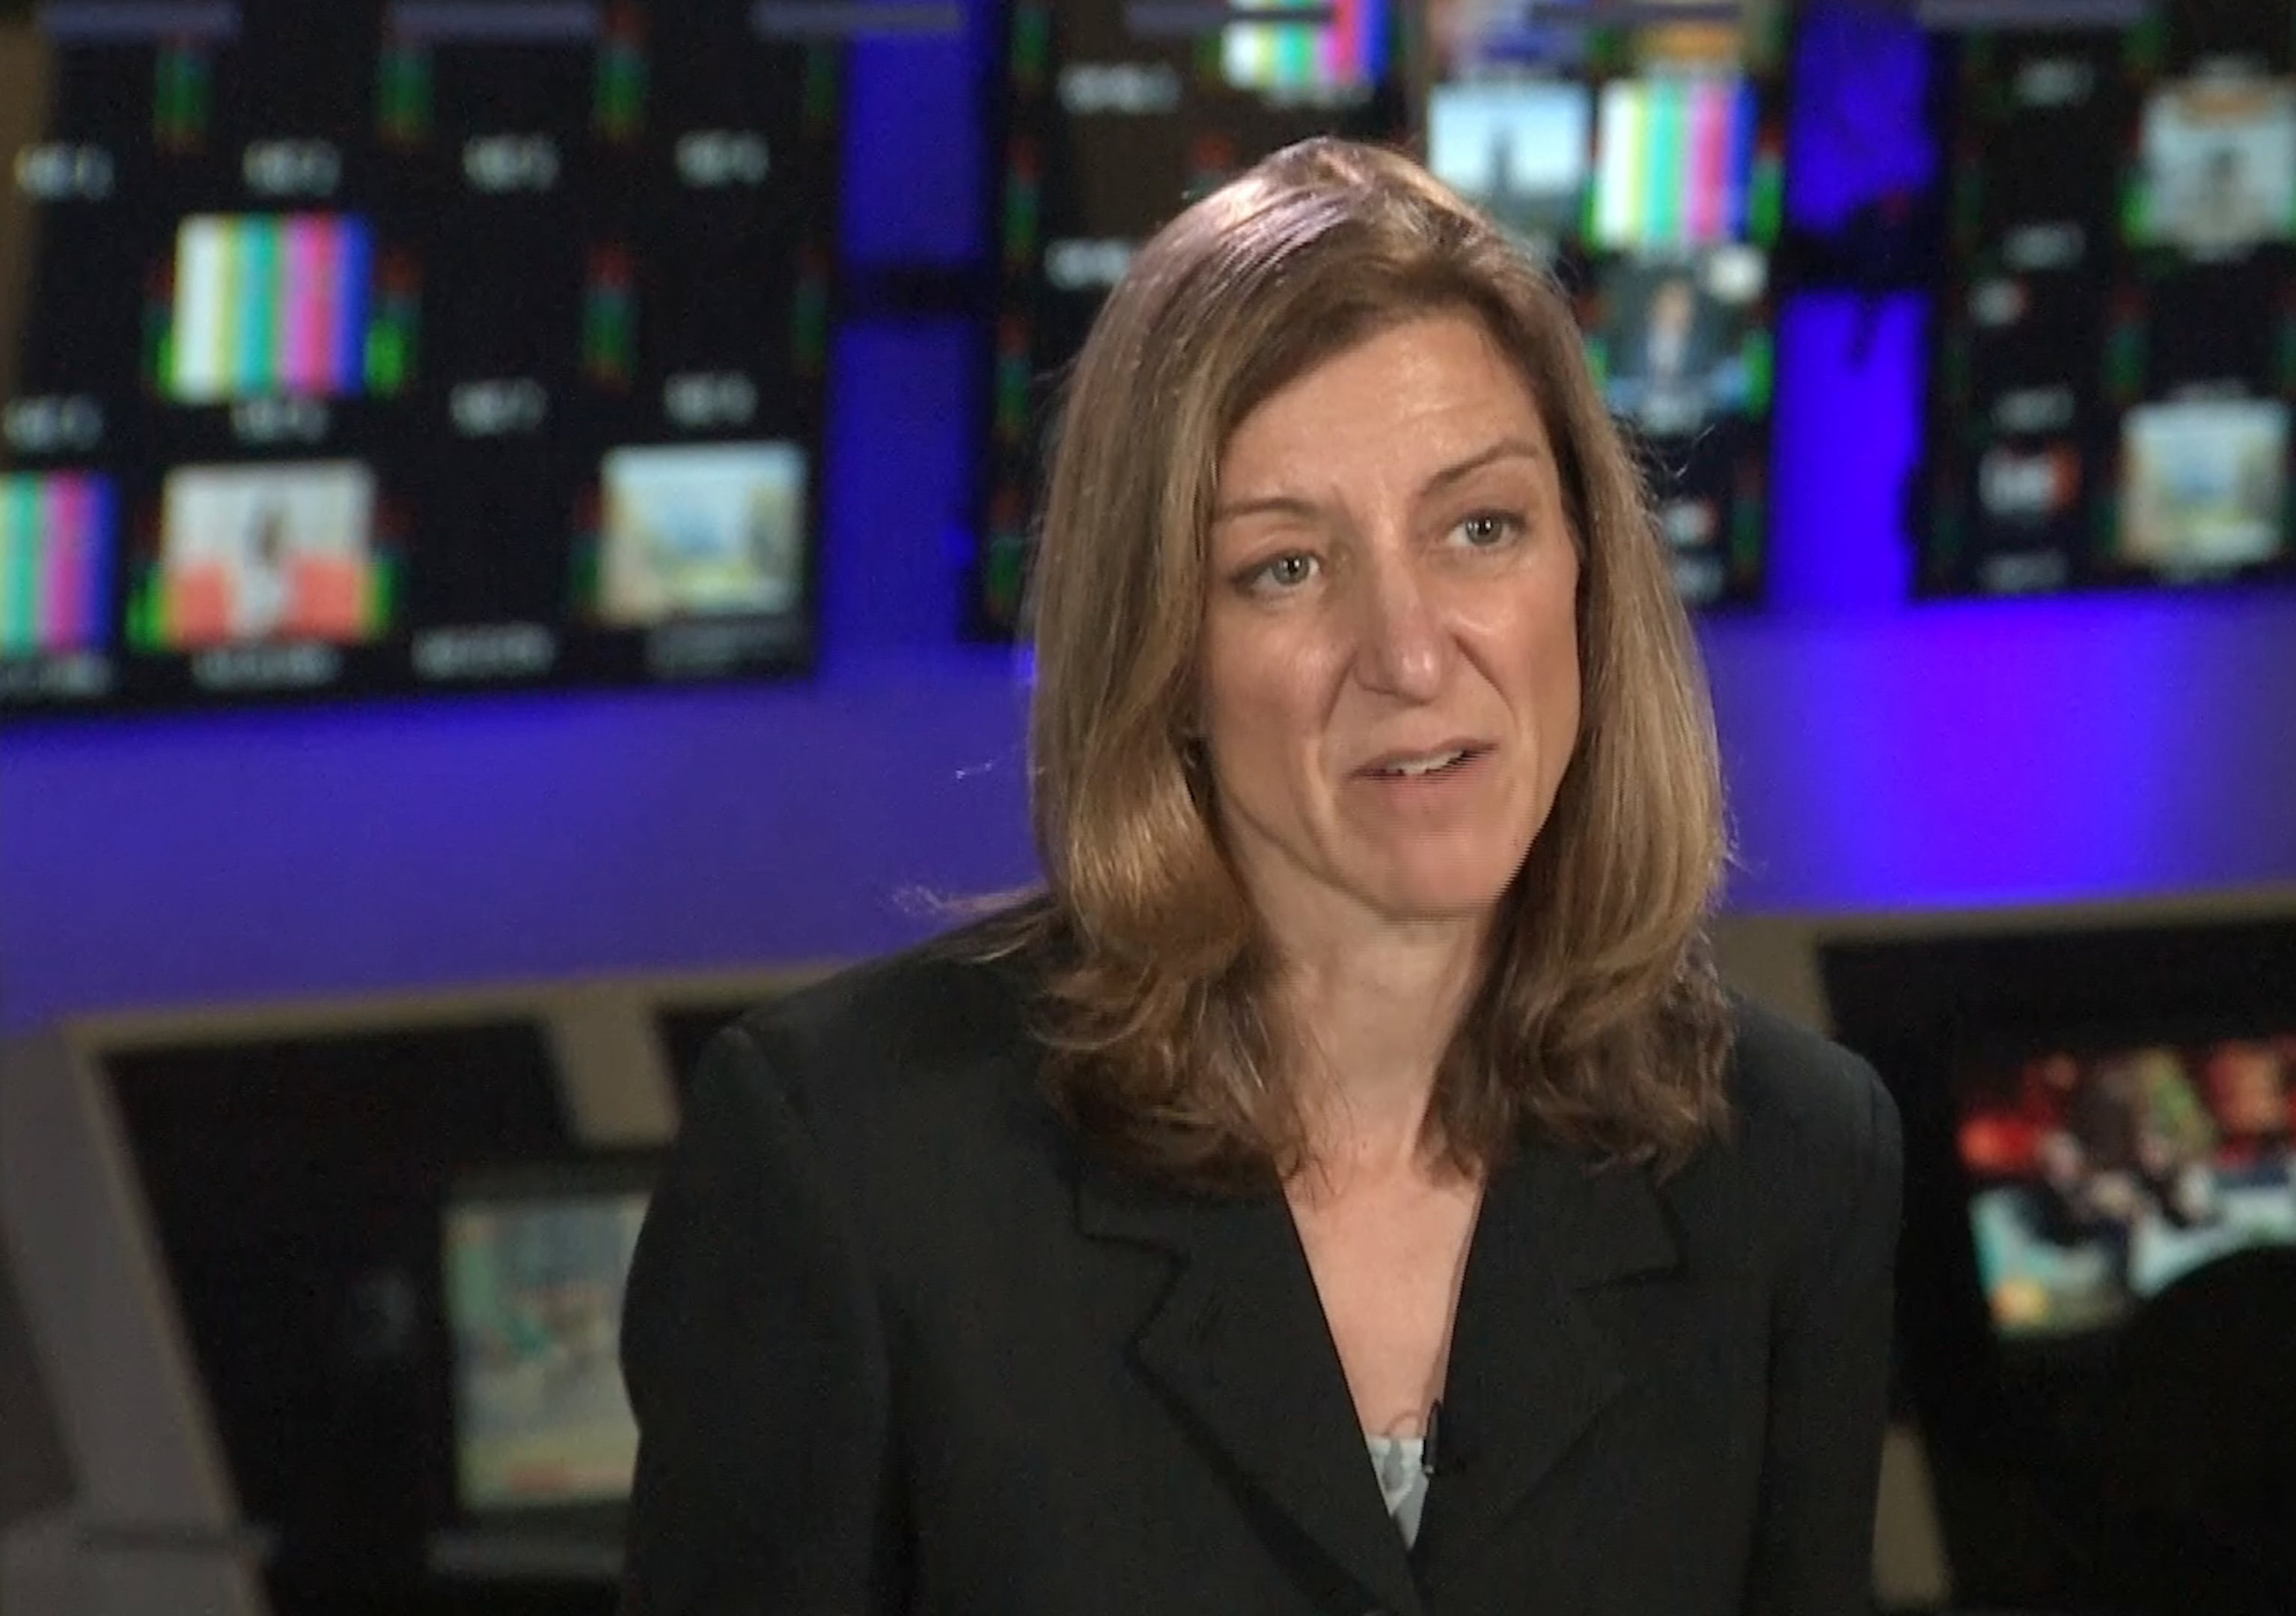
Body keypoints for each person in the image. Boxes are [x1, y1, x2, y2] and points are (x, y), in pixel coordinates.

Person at [617, 138, 1902, 1616]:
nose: (1413, 658)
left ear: (1588, 580)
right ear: (1163, 652)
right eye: (1285, 568)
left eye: (1481, 530)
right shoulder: (854, 1168)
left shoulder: (1794, 1162)